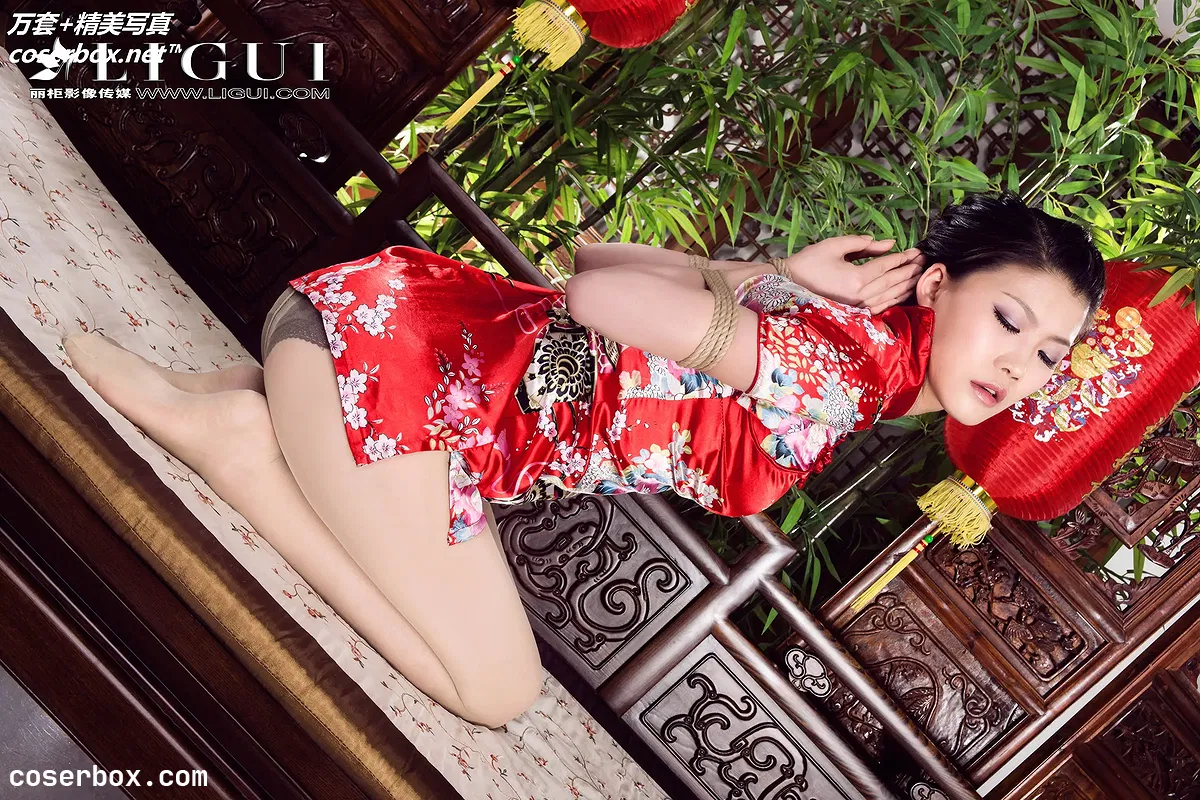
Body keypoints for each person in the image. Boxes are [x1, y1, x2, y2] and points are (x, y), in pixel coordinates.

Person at [62, 190, 1105, 728]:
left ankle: (260, 406)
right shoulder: (843, 367)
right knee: (496, 689)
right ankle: (244, 447)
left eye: (1049, 354)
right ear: (937, 286)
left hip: (372, 344)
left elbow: (593, 256)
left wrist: (765, 273)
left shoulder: (852, 337)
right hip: (385, 386)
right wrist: (768, 281)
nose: (1019, 364)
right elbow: (595, 292)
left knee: (486, 655)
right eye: (1009, 320)